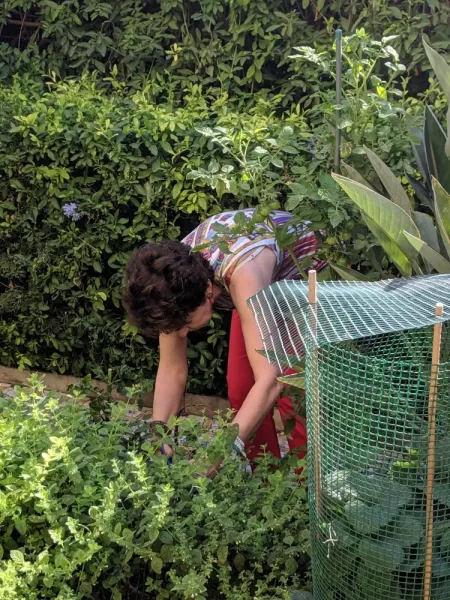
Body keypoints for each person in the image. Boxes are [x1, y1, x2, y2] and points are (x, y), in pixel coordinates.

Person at [122, 208, 325, 469]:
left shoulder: (244, 275)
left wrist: (218, 454)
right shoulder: (168, 285)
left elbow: (270, 380)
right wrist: (158, 437)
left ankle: (305, 488)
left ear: (208, 291)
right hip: (262, 290)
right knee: (240, 387)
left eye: (184, 324)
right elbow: (172, 369)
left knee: (295, 394)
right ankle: (265, 477)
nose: (182, 333)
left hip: (308, 284)